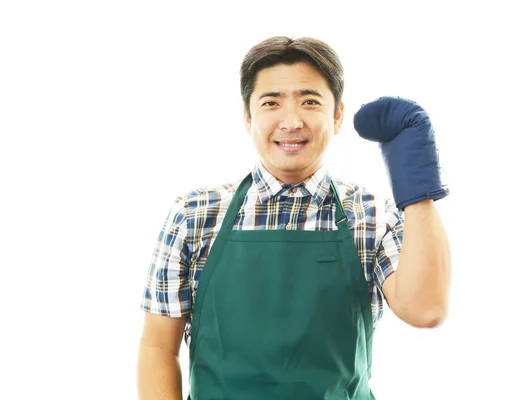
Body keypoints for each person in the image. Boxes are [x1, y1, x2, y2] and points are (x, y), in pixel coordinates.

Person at [136, 35, 451, 400]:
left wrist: (418, 186)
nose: (291, 121)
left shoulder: (372, 215)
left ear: (337, 117)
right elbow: (158, 346)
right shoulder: (194, 215)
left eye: (310, 102)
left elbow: (427, 309)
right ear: (247, 117)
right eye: (271, 103)